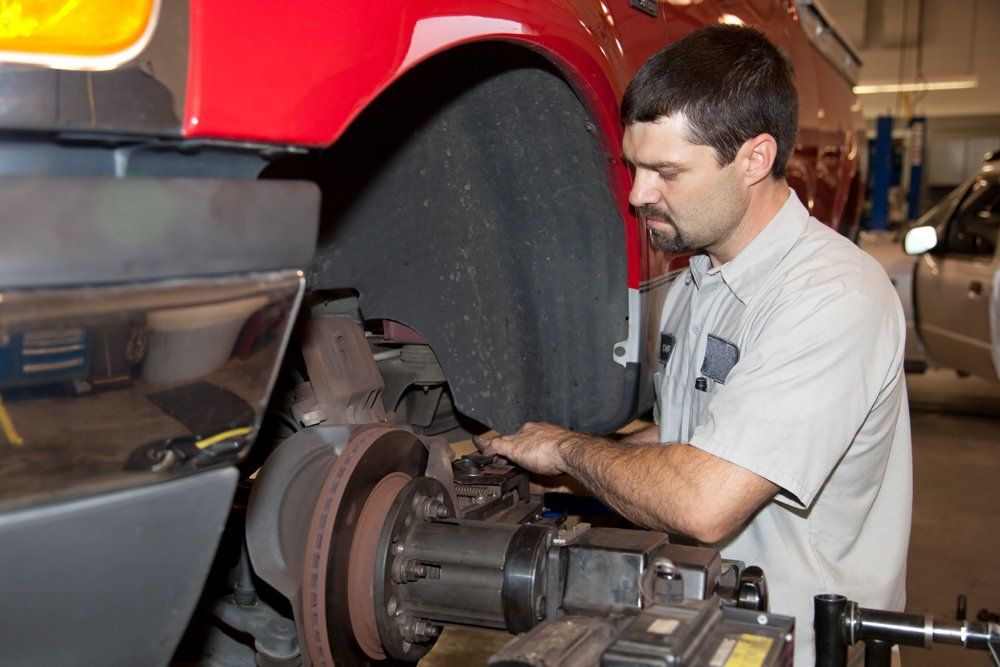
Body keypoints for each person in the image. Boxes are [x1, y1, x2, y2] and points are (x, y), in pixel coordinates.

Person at [482, 24, 912, 667]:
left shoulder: (833, 296)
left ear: (755, 160)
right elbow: (698, 437)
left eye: (666, 171)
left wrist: (571, 449)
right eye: (633, 166)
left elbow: (704, 501)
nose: (636, 194)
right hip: (709, 627)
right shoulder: (696, 284)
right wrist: (550, 463)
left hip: (807, 646)